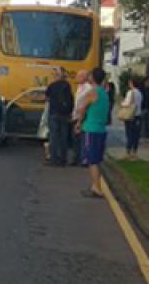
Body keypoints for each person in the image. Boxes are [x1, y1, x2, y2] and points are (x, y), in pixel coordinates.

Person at [75, 67, 110, 198]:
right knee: (97, 159)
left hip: (91, 128)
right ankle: (96, 185)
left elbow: (82, 108)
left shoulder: (92, 93)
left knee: (92, 160)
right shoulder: (104, 93)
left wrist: (79, 122)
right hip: (101, 129)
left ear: (92, 78)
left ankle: (97, 188)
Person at [45, 67, 74, 167]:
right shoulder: (67, 86)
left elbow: (47, 97)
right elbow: (71, 99)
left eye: (54, 74)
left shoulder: (52, 86)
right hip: (65, 115)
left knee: (53, 137)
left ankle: (53, 159)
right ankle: (63, 159)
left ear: (56, 75)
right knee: (63, 137)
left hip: (54, 114)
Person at [71, 70, 92, 166]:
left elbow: (85, 104)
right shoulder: (79, 87)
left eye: (79, 76)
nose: (77, 77)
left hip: (84, 116)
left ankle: (83, 159)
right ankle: (76, 158)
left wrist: (80, 119)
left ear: (85, 77)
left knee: (83, 139)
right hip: (76, 115)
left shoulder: (88, 88)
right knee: (76, 139)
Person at [121, 77, 144, 159]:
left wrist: (122, 104)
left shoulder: (130, 92)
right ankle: (135, 152)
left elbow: (127, 103)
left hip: (130, 115)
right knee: (136, 135)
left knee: (129, 134)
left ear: (132, 83)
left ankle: (128, 152)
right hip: (138, 115)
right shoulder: (140, 93)